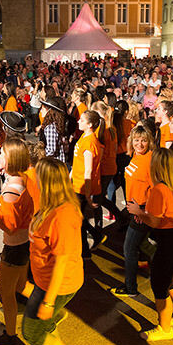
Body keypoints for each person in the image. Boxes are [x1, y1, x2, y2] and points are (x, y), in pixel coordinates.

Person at [22, 157, 91, 345]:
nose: (36, 180)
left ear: (48, 182)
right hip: (45, 280)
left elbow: (62, 260)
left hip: (58, 284)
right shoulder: (52, 204)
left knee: (32, 332)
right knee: (46, 327)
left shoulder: (63, 215)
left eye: (39, 176)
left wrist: (49, 301)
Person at [126, 148, 173, 341]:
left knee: (160, 285)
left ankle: (164, 328)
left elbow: (154, 222)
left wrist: (138, 212)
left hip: (170, 242)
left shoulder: (158, 190)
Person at [0, 139, 33, 345]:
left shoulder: (11, 192)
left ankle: (11, 335)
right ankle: (48, 307)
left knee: (6, 293)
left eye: (2, 153)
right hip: (24, 242)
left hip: (14, 247)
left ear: (10, 158)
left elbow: (9, 227)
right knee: (20, 285)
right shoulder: (22, 180)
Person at [115, 125, 154, 297]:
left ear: (149, 142)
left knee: (129, 249)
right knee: (142, 244)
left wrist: (143, 212)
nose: (140, 144)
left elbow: (156, 190)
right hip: (134, 209)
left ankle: (130, 288)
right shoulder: (135, 157)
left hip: (141, 211)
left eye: (144, 140)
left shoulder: (150, 160)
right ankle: (162, 265)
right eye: (136, 140)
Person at [70, 110, 104, 257]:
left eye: (82, 120)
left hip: (82, 188)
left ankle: (84, 250)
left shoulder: (90, 143)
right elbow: (78, 163)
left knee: (78, 220)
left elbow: (89, 170)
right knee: (79, 219)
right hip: (76, 184)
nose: (78, 121)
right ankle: (93, 238)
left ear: (89, 125)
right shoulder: (85, 136)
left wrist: (89, 195)